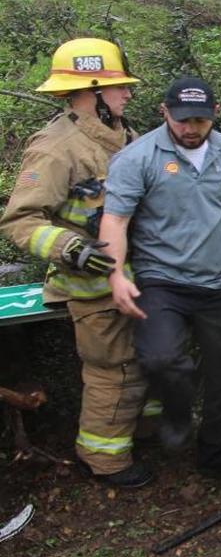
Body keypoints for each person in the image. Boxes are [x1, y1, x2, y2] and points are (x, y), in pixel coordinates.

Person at [0, 37, 153, 488]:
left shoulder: (125, 137)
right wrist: (72, 249)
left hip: (139, 279)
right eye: (118, 86)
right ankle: (103, 459)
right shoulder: (56, 148)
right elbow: (20, 219)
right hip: (93, 288)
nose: (127, 94)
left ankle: (140, 434)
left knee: (145, 361)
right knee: (115, 369)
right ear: (90, 90)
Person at [99, 76, 221, 481]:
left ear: (215, 116)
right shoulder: (137, 158)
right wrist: (116, 274)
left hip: (217, 281)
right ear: (164, 113)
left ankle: (215, 456)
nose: (191, 129)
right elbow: (115, 219)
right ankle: (176, 413)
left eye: (200, 121)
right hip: (161, 280)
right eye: (182, 120)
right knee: (161, 358)